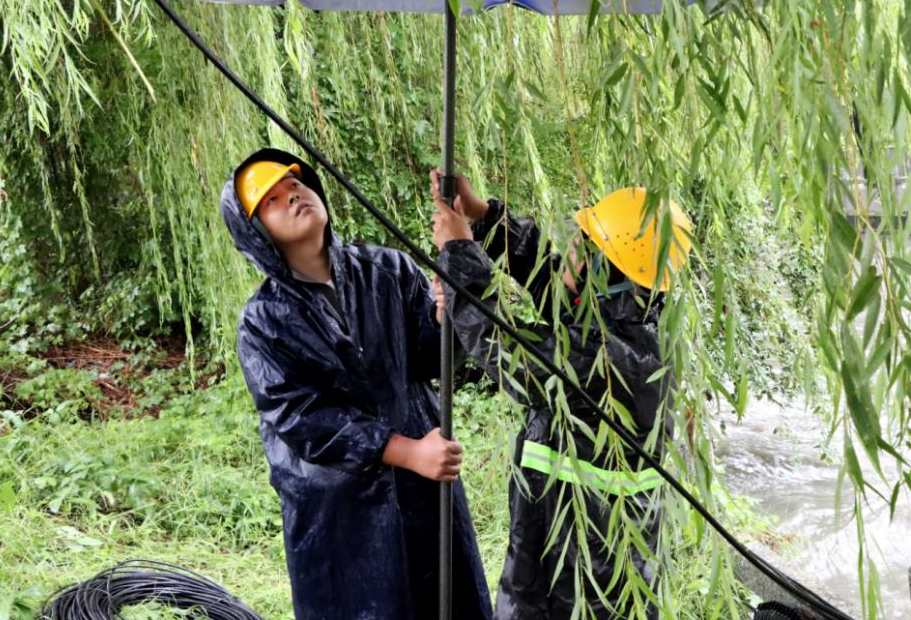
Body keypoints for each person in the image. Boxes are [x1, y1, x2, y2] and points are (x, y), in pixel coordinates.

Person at [220, 148, 492, 620]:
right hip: (338, 505)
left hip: (421, 485)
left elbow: (437, 357)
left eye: (296, 185)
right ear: (256, 232)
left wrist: (448, 315)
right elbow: (302, 418)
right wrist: (407, 451)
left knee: (441, 596)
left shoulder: (387, 270)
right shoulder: (263, 321)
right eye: (271, 200)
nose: (293, 197)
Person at [429, 170, 693, 620]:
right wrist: (486, 217)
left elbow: (502, 348)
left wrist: (458, 257)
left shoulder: (611, 361)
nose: (568, 248)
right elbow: (555, 281)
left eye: (579, 244)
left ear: (602, 270)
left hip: (578, 581)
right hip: (563, 551)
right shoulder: (625, 327)